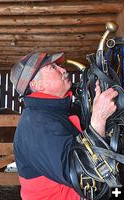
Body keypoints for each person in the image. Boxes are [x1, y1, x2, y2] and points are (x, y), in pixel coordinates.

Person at [10, 52, 118, 200]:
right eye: (53, 67)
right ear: (37, 85)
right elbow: (83, 174)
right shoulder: (37, 125)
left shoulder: (55, 111)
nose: (63, 70)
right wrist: (99, 118)